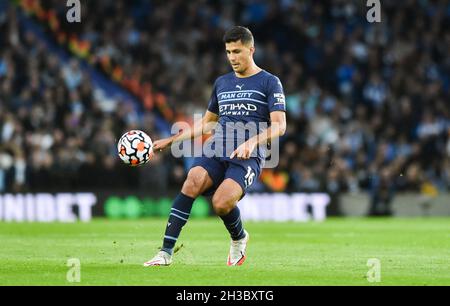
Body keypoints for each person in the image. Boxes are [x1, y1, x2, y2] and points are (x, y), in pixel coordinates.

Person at [143, 26, 287, 266]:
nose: (232, 58)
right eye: (229, 52)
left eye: (237, 51)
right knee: (192, 180)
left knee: (221, 203)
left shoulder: (269, 82)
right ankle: (165, 253)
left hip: (247, 156)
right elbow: (208, 123)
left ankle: (239, 237)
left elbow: (279, 126)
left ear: (251, 50)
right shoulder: (222, 82)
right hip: (216, 148)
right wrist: (171, 140)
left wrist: (252, 142)